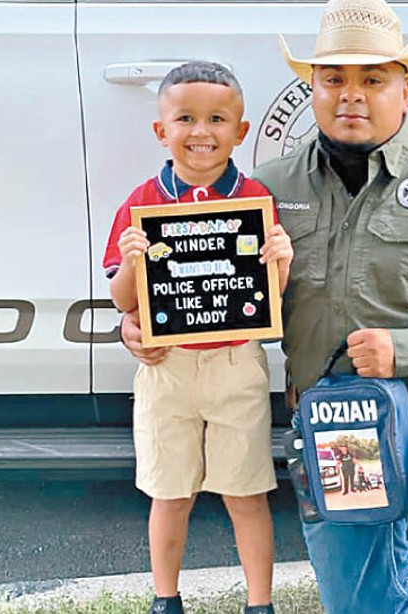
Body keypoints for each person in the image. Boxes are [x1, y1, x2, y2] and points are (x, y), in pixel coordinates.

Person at [119, 1, 408, 612]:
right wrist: (144, 323)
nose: (351, 95)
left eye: (372, 79)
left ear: (405, 90)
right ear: (314, 90)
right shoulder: (265, 191)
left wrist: (405, 349)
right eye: (334, 79)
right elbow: (205, 287)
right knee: (363, 603)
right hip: (338, 410)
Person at [104, 61, 292, 614]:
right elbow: (124, 301)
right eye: (185, 118)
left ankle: (260, 604)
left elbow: (267, 298)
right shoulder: (141, 204)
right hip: (169, 366)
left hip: (237, 362)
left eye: (216, 119)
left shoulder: (255, 200)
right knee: (170, 491)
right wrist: (133, 266)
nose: (201, 131)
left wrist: (280, 263)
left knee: (246, 490)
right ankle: (166, 599)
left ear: (241, 130)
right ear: (162, 131)